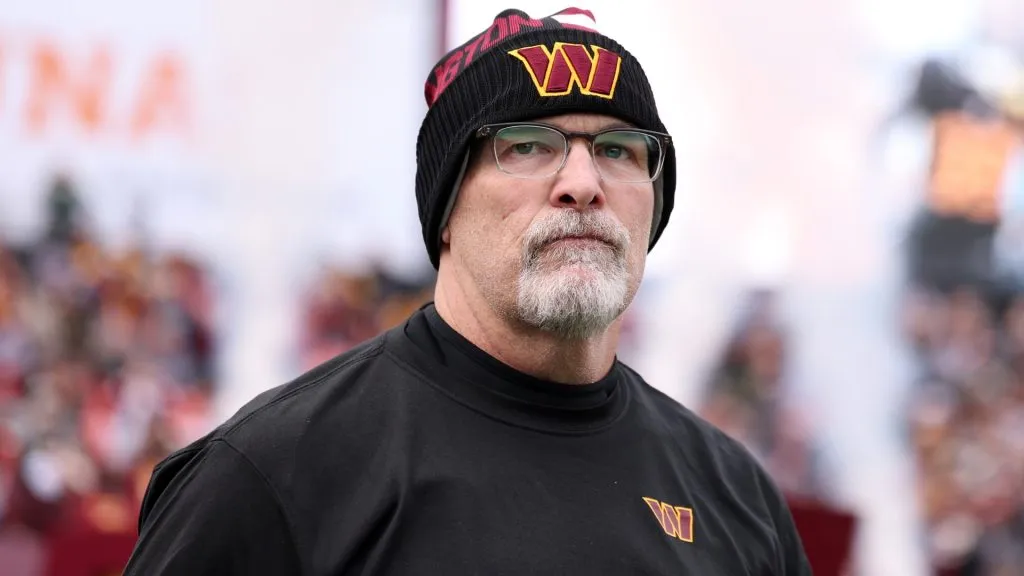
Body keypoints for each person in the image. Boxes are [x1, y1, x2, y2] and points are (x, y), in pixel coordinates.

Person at [123, 7, 812, 575]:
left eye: (618, 149)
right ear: (446, 210)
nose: (583, 182)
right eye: (527, 146)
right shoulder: (274, 474)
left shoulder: (735, 497)